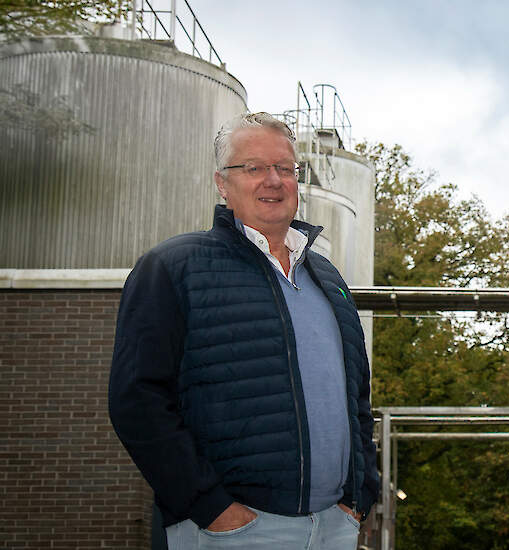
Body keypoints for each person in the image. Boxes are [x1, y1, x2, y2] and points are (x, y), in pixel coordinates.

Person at [109, 112, 378, 549]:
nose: (273, 180)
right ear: (222, 183)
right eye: (253, 168)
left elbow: (357, 398)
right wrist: (212, 508)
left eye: (285, 168)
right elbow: (137, 400)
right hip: (232, 530)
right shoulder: (175, 267)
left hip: (334, 526)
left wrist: (360, 494)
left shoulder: (328, 278)